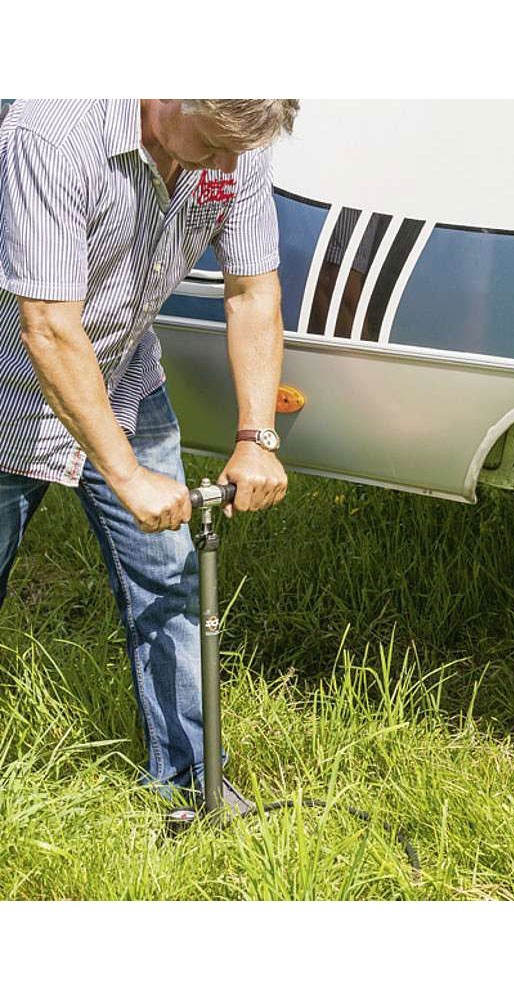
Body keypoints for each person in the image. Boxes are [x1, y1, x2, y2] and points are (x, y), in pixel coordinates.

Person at [0, 99, 300, 810]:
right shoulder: (51, 134)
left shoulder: (233, 146)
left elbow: (252, 293)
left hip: (122, 377)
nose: (228, 167)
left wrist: (256, 437)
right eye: (218, 144)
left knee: (171, 585)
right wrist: (127, 473)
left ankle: (195, 788)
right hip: (10, 386)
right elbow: (46, 327)